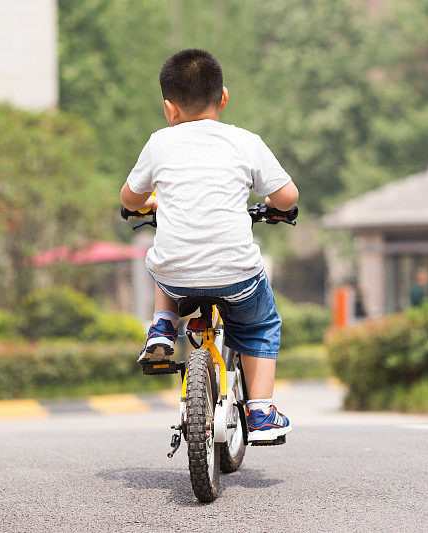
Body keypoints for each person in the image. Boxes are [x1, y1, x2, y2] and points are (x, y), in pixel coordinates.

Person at [120, 49, 297, 443]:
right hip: (237, 277)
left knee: (163, 264)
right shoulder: (245, 142)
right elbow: (287, 196)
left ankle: (163, 327)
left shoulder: (159, 143)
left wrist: (147, 202)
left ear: (169, 108)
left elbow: (130, 199)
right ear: (223, 98)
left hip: (178, 278)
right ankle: (262, 412)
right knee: (260, 326)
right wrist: (274, 207)